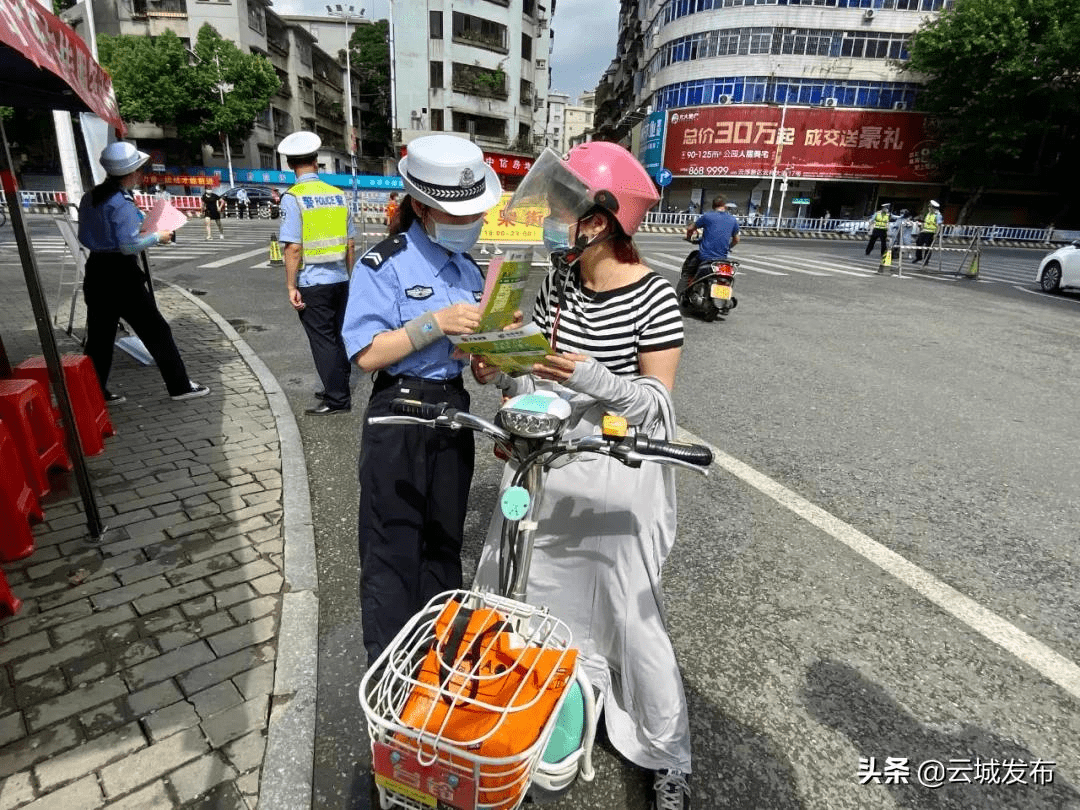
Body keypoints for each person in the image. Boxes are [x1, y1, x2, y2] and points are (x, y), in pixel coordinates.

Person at [472, 142, 691, 810]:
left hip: (618, 476)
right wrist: (502, 375)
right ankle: (526, 704)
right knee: (516, 586)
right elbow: (532, 372)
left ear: (600, 219)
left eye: (564, 211)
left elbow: (659, 405)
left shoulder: (655, 296)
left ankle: (666, 753)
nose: (553, 223)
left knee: (629, 613)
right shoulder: (560, 286)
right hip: (551, 467)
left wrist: (596, 378)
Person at [341, 134, 502, 664]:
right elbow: (366, 355)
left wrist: (491, 354)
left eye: (472, 211)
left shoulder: (470, 270)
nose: (466, 222)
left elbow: (476, 367)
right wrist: (434, 323)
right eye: (453, 212)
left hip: (453, 411)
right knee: (392, 548)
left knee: (442, 543)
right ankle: (389, 673)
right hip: (399, 413)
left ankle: (437, 659)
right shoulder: (382, 264)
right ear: (419, 206)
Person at [77, 142, 209, 403]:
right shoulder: (120, 202)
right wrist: (157, 236)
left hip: (96, 270)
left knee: (100, 338)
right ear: (133, 172)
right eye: (140, 170)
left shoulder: (90, 197)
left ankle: (95, 394)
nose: (141, 175)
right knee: (156, 332)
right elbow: (128, 246)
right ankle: (179, 386)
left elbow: (86, 235)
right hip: (121, 275)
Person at [277, 131, 356, 415]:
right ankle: (338, 385)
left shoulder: (293, 198)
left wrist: (290, 286)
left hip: (313, 282)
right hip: (340, 280)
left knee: (323, 341)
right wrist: (348, 277)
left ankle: (337, 399)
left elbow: (293, 249)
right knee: (337, 335)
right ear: (316, 161)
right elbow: (350, 243)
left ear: (290, 164)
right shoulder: (337, 195)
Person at [681, 194, 739, 294]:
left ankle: (687, 290)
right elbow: (736, 239)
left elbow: (690, 229)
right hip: (722, 259)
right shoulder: (733, 220)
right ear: (725, 206)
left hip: (705, 258)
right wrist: (729, 247)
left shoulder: (707, 216)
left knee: (689, 270)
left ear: (713, 206)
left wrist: (689, 237)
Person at [915, 199, 943, 264]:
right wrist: (921, 227)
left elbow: (939, 225)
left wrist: (936, 234)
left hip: (931, 233)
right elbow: (925, 222)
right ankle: (918, 257)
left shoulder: (938, 215)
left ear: (933, 208)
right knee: (918, 243)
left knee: (928, 247)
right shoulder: (928, 214)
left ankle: (926, 260)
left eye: (930, 207)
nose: (929, 208)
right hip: (924, 231)